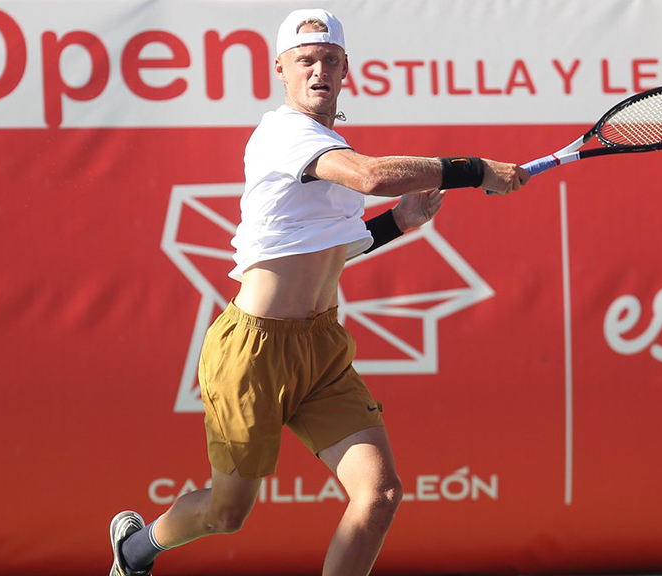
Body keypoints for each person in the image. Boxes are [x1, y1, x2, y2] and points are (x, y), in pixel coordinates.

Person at [109, 8, 529, 576]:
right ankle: (136, 551)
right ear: (280, 69)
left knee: (378, 495)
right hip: (251, 354)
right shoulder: (284, 134)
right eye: (305, 61)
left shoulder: (328, 144)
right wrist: (475, 170)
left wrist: (396, 225)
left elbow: (328, 251)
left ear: (346, 69)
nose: (318, 71)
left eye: (329, 60)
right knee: (226, 514)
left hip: (322, 349)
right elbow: (372, 177)